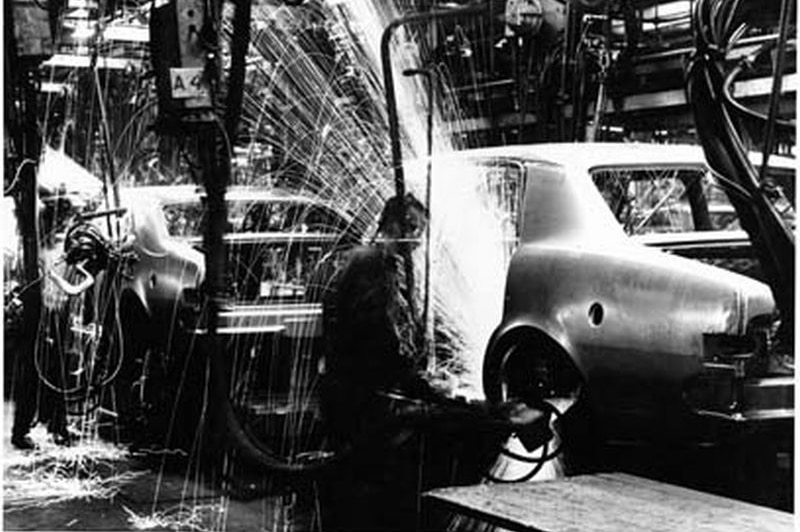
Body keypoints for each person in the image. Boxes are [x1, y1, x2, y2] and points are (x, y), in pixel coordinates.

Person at [319, 193, 551, 531]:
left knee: (474, 415)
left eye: (420, 233)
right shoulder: (371, 267)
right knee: (470, 422)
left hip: (362, 396)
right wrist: (429, 390)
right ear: (396, 225)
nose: (416, 242)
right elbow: (381, 350)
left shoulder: (371, 263)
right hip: (365, 406)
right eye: (413, 231)